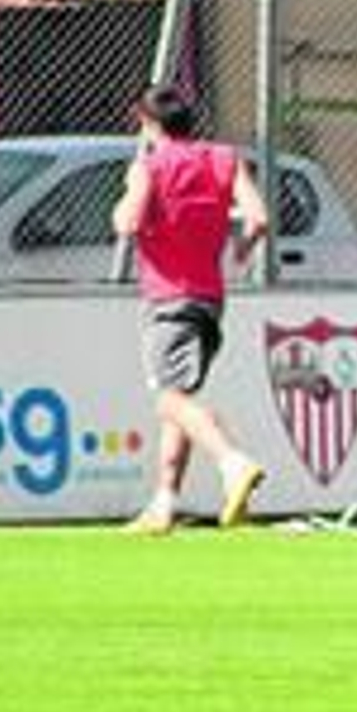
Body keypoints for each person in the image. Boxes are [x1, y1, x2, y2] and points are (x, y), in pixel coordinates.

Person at [113, 84, 268, 535]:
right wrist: (241, 249)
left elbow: (128, 222)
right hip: (210, 299)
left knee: (169, 397)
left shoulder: (150, 165)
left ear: (148, 124)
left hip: (168, 297)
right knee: (179, 401)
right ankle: (164, 503)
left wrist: (129, 192)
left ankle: (231, 461)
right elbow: (258, 217)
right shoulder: (223, 158)